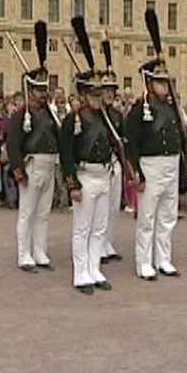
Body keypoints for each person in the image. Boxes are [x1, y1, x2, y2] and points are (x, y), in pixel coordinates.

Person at [124, 9, 187, 280]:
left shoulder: (173, 108)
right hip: (150, 165)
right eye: (161, 82)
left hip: (170, 164)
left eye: (167, 82)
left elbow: (180, 136)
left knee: (167, 215)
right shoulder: (141, 108)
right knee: (148, 217)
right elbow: (132, 143)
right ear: (150, 83)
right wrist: (135, 172)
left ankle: (164, 258)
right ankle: (144, 262)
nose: (166, 86)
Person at [59, 17, 115, 294]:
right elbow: (66, 153)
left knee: (99, 227)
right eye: (94, 94)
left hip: (104, 175)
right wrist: (72, 183)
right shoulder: (74, 120)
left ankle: (94, 268)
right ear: (84, 94)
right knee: (82, 228)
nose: (99, 98)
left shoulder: (106, 117)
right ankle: (80, 272)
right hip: (84, 176)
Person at [7, 21, 59, 272]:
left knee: (43, 212)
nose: (43, 94)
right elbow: (13, 142)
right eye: (38, 90)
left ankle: (39, 250)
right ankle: (23, 253)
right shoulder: (20, 114)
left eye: (44, 89)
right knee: (27, 212)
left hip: (49, 164)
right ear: (30, 90)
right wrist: (17, 168)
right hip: (31, 165)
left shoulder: (50, 113)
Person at [99, 37, 125, 263]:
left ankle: (108, 242)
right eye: (106, 90)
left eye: (112, 90)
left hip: (115, 164)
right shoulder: (96, 115)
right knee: (100, 208)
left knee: (114, 207)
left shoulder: (116, 115)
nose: (109, 93)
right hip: (100, 165)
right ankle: (97, 246)